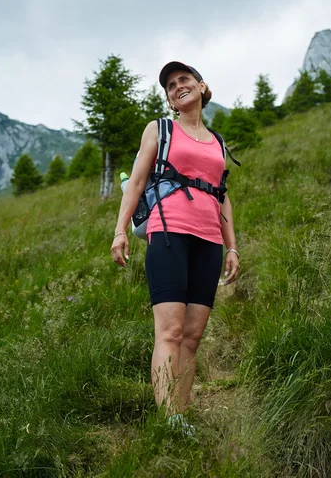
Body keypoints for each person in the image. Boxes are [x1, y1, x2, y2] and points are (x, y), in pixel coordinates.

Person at [111, 61, 239, 433]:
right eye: (170, 86)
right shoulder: (160, 129)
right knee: (170, 331)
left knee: (193, 336)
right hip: (168, 233)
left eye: (184, 80)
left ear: (201, 86)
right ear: (169, 100)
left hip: (209, 241)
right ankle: (170, 422)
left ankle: (180, 415)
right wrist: (120, 231)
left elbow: (222, 196)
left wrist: (232, 248)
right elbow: (135, 184)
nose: (177, 86)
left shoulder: (217, 142)